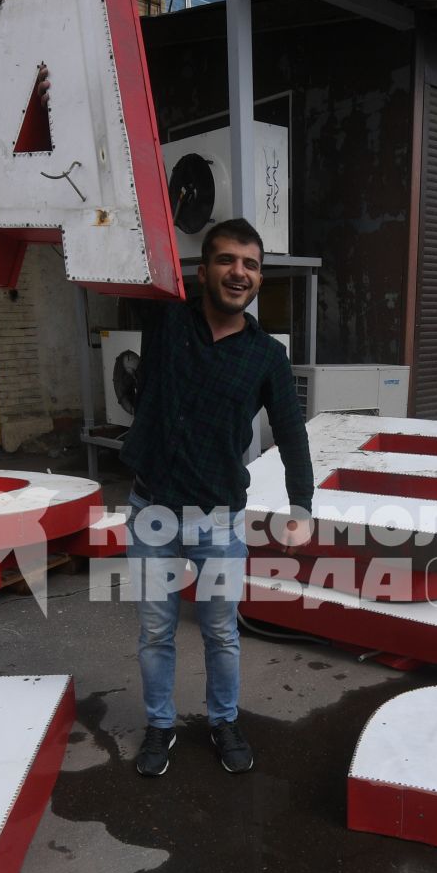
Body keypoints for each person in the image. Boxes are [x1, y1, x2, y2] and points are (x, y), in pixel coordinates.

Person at [118, 218, 314, 778]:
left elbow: (292, 432)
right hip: (151, 509)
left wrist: (301, 507)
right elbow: (126, 266)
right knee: (156, 630)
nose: (239, 272)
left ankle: (223, 719)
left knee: (221, 632)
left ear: (258, 281)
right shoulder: (165, 322)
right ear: (202, 271)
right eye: (228, 260)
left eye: (250, 265)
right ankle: (160, 726)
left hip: (219, 520)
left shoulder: (266, 356)